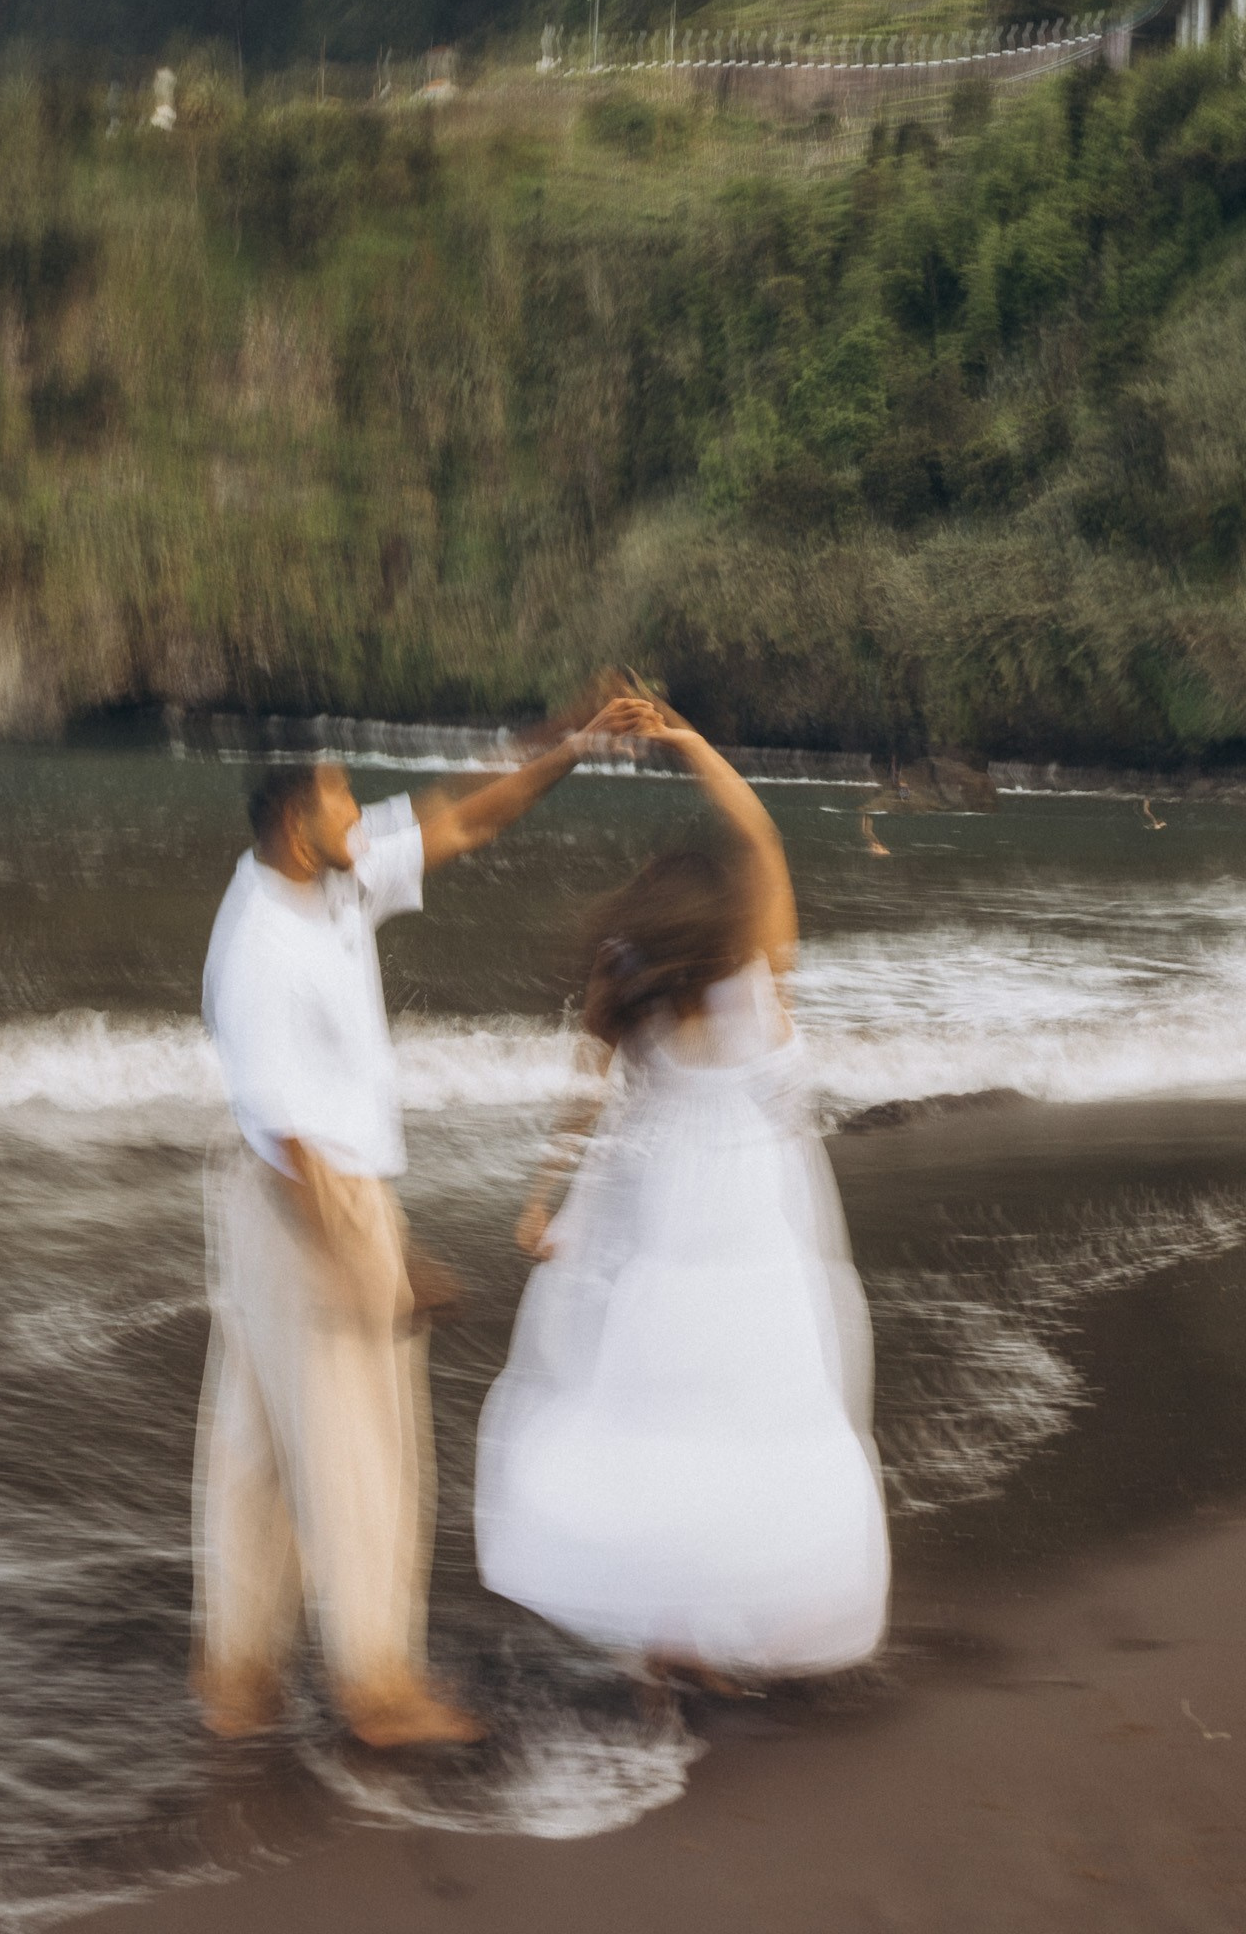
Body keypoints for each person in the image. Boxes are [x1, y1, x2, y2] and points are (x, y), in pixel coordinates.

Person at [194, 698, 654, 1750]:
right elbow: (287, 1140)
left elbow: (463, 817)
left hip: (283, 1199)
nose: (358, 805)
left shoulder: (329, 876)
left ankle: (237, 1673)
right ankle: (376, 1687)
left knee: (259, 1449)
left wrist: (569, 745)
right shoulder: (261, 946)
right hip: (308, 1199)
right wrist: (379, 1265)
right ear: (290, 818)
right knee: (359, 1449)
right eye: (339, 790)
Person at [474, 706, 890, 1681]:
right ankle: (720, 1624)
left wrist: (543, 1200)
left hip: (659, 1232)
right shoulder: (761, 971)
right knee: (746, 1433)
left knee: (652, 1431)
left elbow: (584, 1101)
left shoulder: (630, 981)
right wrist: (694, 743)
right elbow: (758, 835)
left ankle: (666, 1639)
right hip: (751, 1234)